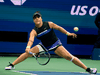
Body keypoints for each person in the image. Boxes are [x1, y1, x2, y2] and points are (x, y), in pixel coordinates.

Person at [5, 11, 97, 74]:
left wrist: (67, 33)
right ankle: (12, 65)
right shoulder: (34, 31)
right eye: (35, 18)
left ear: (41, 18)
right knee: (26, 54)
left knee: (69, 57)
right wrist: (28, 47)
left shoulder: (49, 24)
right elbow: (31, 39)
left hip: (55, 44)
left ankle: (88, 69)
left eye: (38, 17)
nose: (37, 19)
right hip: (44, 45)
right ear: (33, 20)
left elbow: (59, 28)